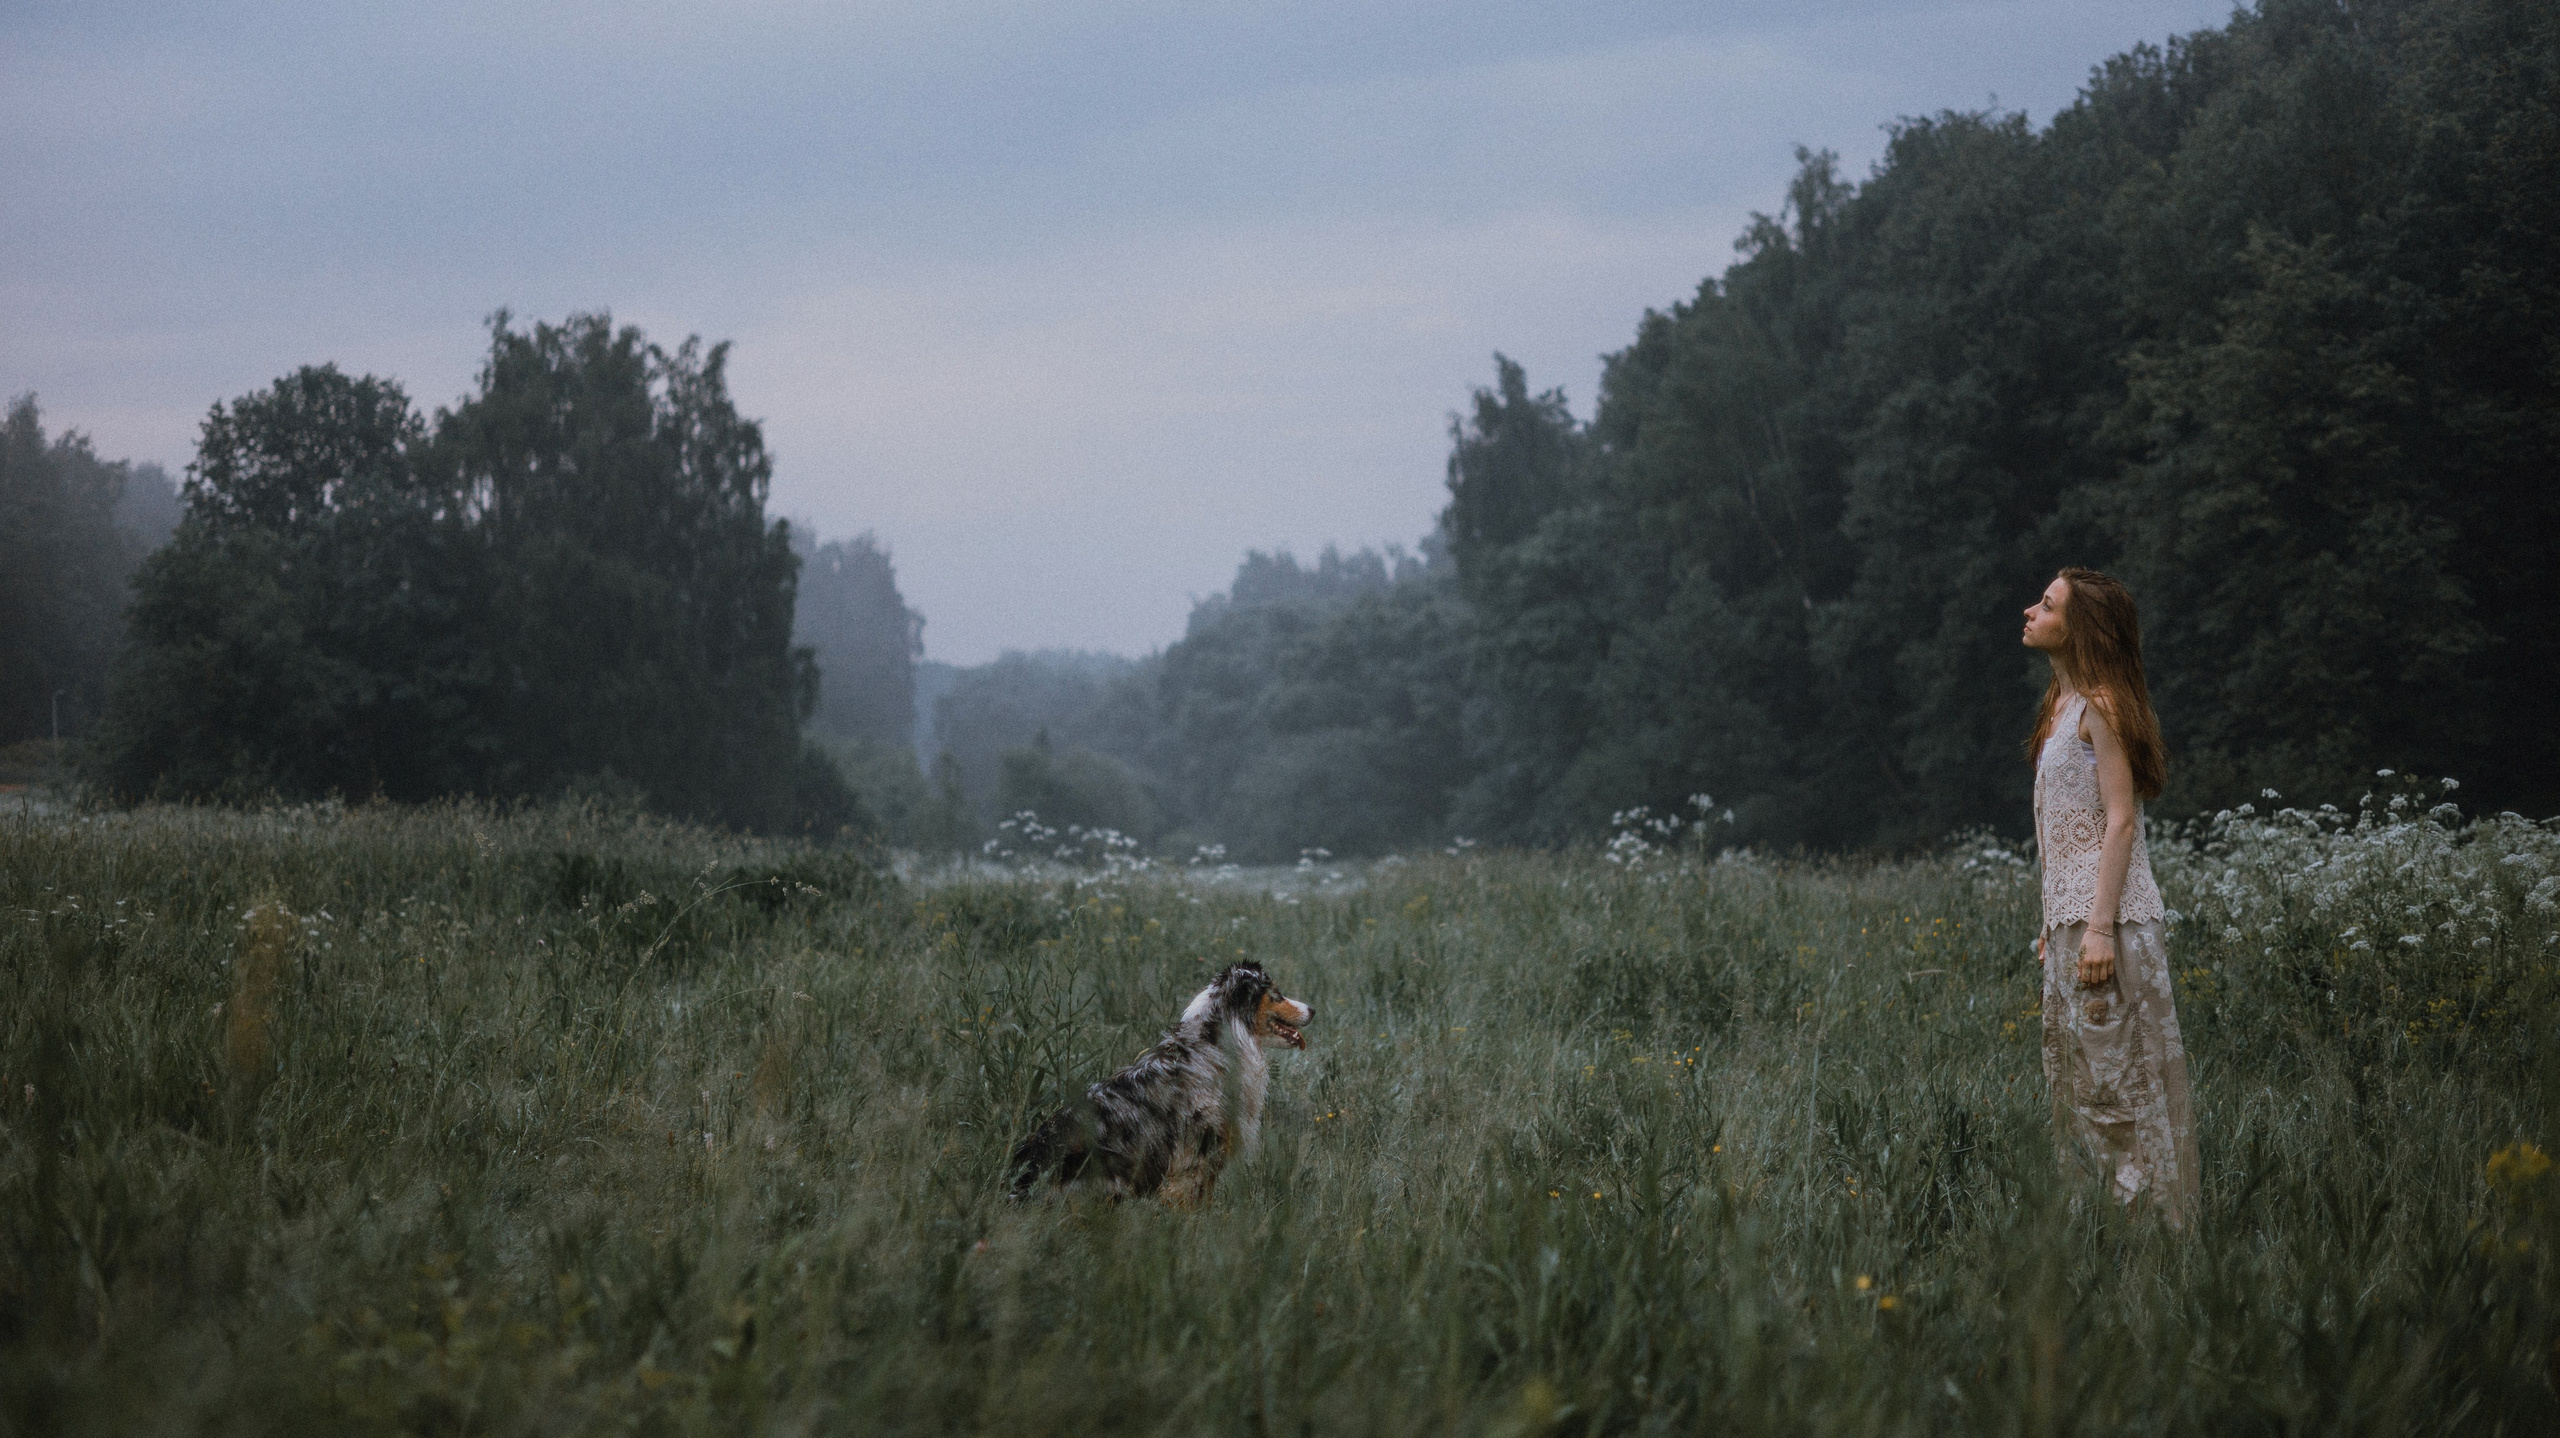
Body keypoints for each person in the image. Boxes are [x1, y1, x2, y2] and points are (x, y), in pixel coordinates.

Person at [2022, 567, 2199, 1224]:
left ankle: (2157, 1235)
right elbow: (2063, 829)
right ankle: (2103, 1233)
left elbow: (2121, 820)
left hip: (2111, 923)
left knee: (2123, 1082)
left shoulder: (2103, 703)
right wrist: (2052, 925)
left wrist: (2097, 930)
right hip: (2074, 922)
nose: (2029, 612)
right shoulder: (2061, 708)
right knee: (2081, 1082)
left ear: (2081, 629)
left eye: (2045, 605)